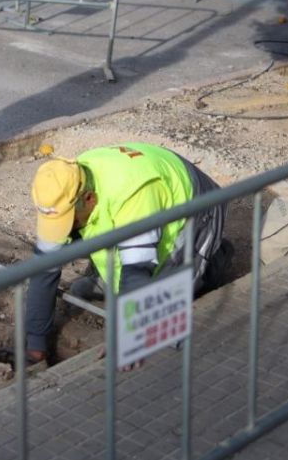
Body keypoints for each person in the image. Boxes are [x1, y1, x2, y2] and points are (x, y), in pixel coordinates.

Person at [22, 143, 231, 365]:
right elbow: (44, 268)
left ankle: (214, 259)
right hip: (143, 206)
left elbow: (137, 271)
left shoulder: (133, 194)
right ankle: (113, 280)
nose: (65, 228)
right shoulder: (60, 192)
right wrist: (35, 342)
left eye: (69, 220)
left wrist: (127, 338)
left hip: (198, 209)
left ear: (90, 199)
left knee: (160, 307)